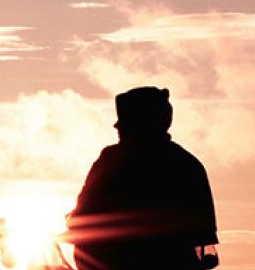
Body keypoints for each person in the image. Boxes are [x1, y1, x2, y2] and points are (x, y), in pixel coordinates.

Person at [67, 87, 220, 270]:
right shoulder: (187, 164)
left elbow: (83, 215)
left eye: (123, 127)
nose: (120, 133)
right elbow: (203, 240)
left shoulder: (111, 161)